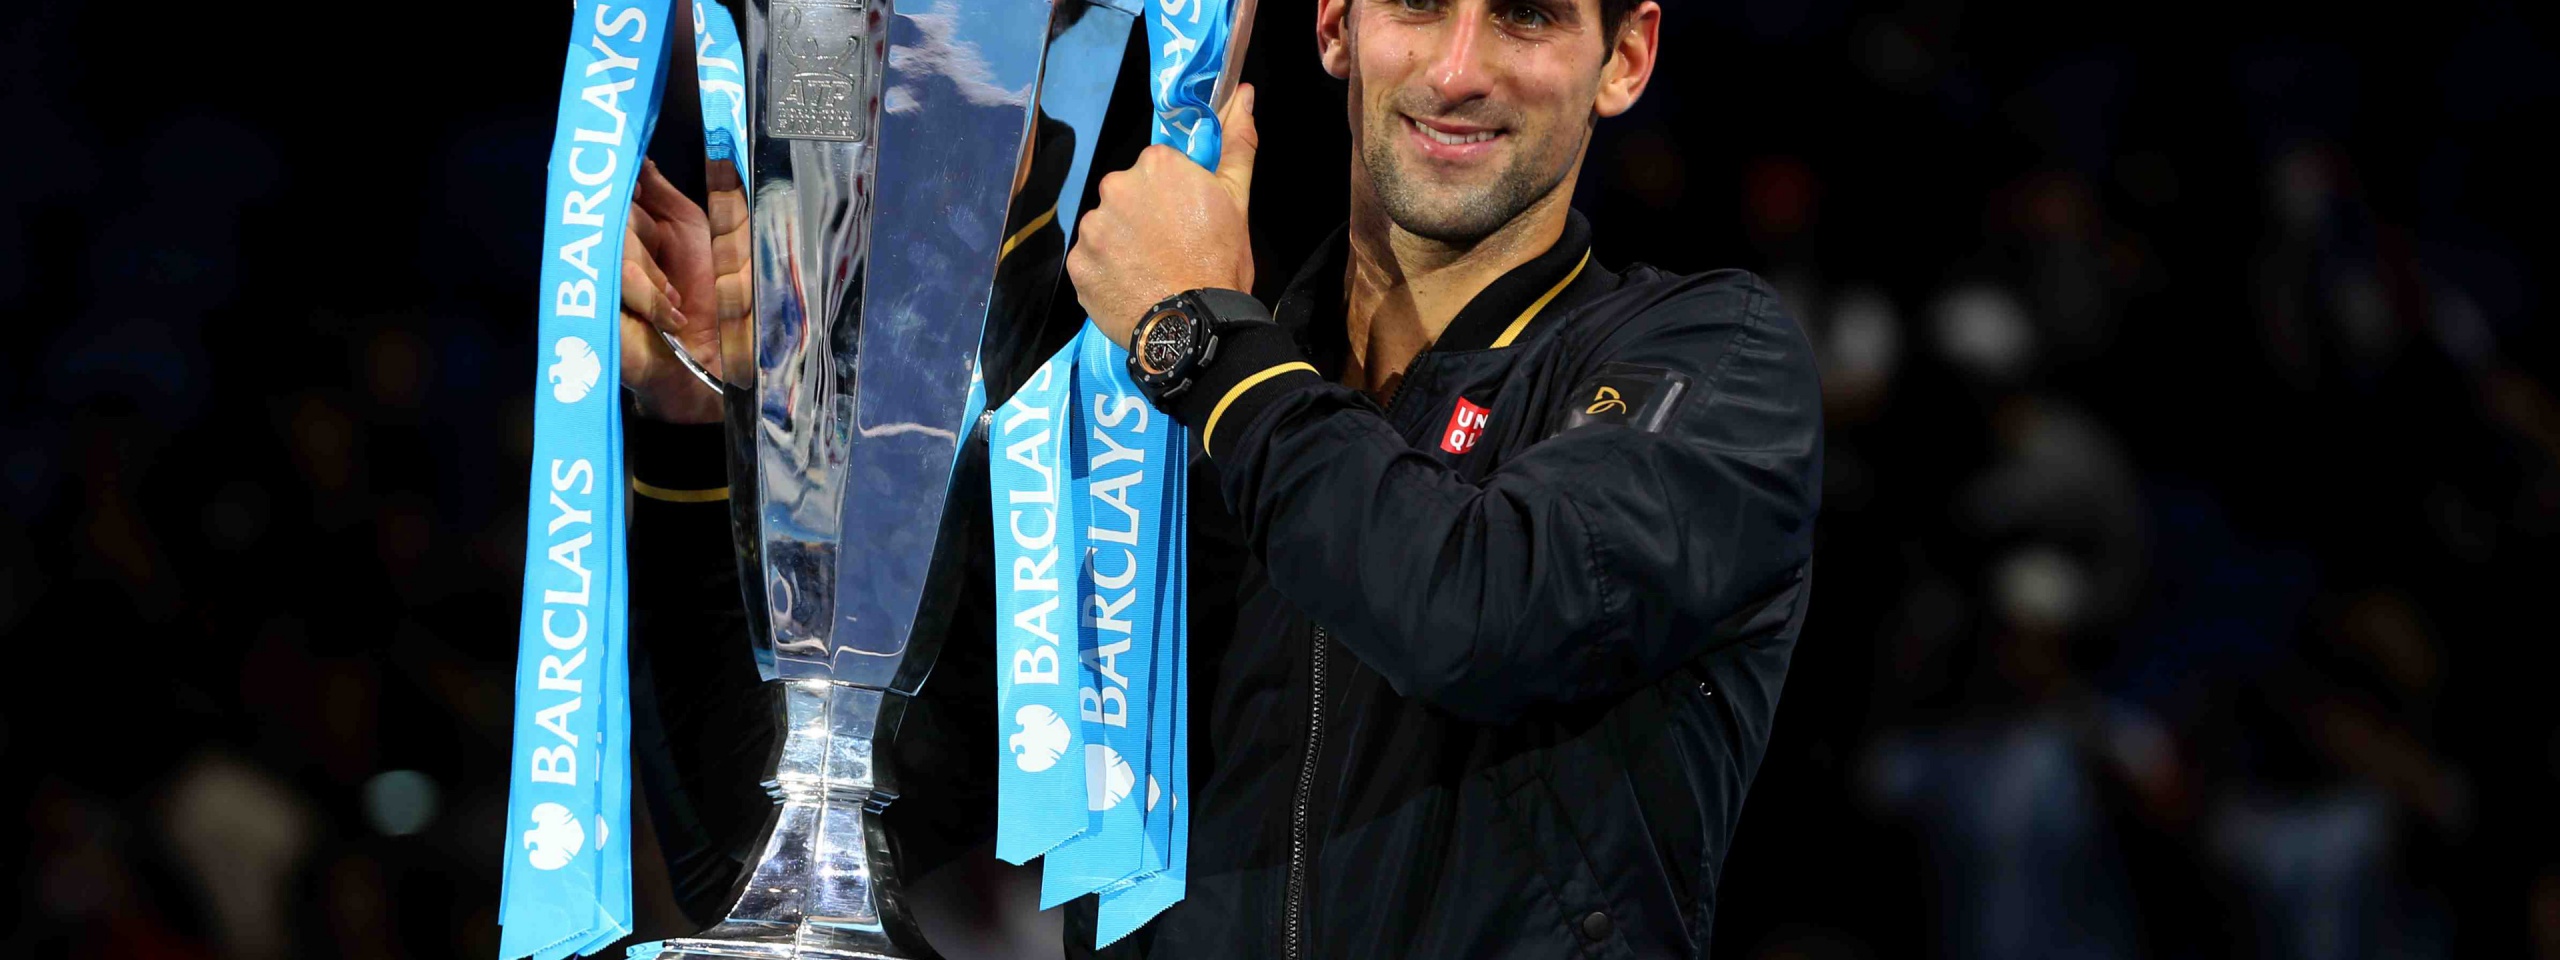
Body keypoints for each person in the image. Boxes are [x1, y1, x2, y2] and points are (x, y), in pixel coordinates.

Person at [619, 0, 1822, 955]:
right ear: (1336, 25)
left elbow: (1478, 611)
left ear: (1625, 57)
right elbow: (761, 848)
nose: (1459, 69)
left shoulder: (1709, 361)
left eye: (1524, 16)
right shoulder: (1141, 420)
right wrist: (697, 438)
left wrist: (1204, 341)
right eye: (1414, 4)